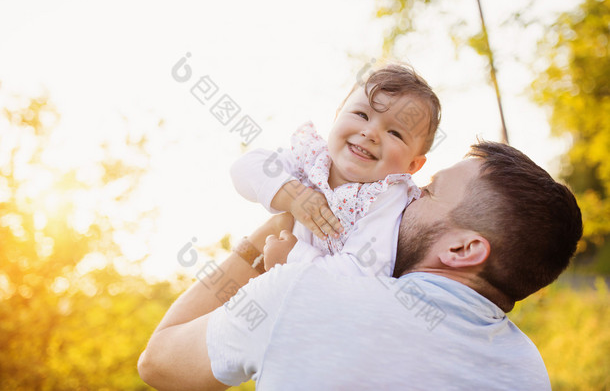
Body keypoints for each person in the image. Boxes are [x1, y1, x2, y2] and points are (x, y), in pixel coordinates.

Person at [138, 141, 583, 390]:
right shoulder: (527, 370)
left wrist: (253, 249)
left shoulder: (305, 292)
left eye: (426, 192)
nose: (404, 194)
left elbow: (159, 363)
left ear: (464, 250)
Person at [231, 63, 441, 275]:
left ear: (413, 165)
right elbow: (244, 169)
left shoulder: (386, 197)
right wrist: (292, 195)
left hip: (319, 300)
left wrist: (293, 256)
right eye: (361, 115)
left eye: (395, 133)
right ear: (337, 115)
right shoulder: (314, 157)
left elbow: (362, 272)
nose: (370, 133)